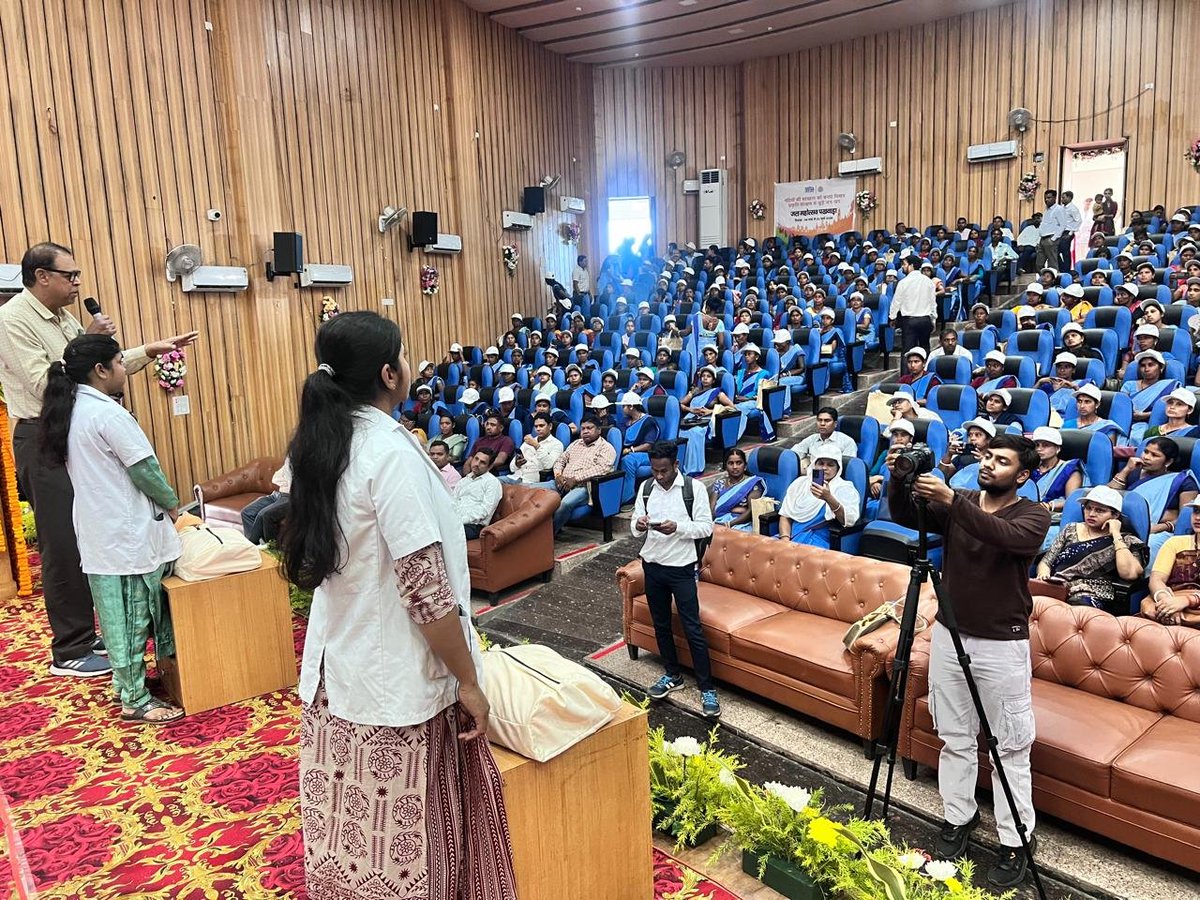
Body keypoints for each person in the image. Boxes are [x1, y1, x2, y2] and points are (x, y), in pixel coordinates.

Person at [279, 312, 515, 897]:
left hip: (340, 670)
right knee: (404, 853)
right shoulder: (388, 452)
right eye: (404, 356)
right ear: (390, 373)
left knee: (349, 836)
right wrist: (468, 681)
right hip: (394, 684)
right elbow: (425, 590)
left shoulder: (325, 441)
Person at [0, 242, 199, 679]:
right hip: (44, 435)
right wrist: (89, 340)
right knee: (63, 543)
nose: (76, 283)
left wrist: (147, 351)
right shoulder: (12, 320)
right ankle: (69, 649)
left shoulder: (63, 318)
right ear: (40, 277)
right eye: (69, 276)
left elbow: (91, 367)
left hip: (75, 431)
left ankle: (90, 631)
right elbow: (45, 384)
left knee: (90, 534)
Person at [887, 433, 1049, 889]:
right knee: (955, 736)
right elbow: (901, 515)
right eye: (986, 456)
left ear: (1021, 475)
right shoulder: (959, 499)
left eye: (1002, 461)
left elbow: (1006, 537)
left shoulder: (1032, 515)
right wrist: (901, 479)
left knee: (1008, 747)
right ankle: (959, 815)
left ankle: (1016, 839)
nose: (989, 465)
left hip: (1001, 644)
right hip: (949, 634)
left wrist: (952, 503)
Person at [39, 334, 184, 723]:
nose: (124, 369)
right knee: (133, 616)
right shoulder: (108, 415)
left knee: (115, 616)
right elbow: (144, 471)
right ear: (101, 370)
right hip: (124, 534)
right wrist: (172, 504)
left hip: (102, 530)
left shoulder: (72, 409)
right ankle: (135, 700)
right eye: (120, 362)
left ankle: (127, 684)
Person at [634, 442, 719, 718]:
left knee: (692, 627)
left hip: (681, 568)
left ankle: (706, 688)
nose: (659, 476)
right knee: (660, 624)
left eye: (664, 471)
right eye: (655, 470)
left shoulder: (692, 490)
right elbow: (635, 525)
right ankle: (672, 674)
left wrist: (678, 528)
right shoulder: (646, 488)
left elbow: (706, 527)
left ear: (676, 465)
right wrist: (639, 524)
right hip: (653, 566)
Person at [1038, 486, 1146, 610]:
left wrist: (1116, 534)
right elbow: (1046, 561)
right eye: (1088, 508)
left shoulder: (1128, 541)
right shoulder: (1070, 529)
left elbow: (1129, 574)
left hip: (1091, 596)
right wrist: (1043, 576)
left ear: (1115, 515)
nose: (1091, 514)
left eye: (1100, 510)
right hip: (1057, 588)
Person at [1110, 436, 1198, 560]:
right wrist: (1126, 470)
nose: (1146, 457)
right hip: (1124, 525)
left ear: (1168, 462)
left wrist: (1160, 527)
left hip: (1160, 531)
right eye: (1145, 452)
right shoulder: (1134, 471)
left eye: (1154, 455)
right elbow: (1107, 496)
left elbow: (1186, 518)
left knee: (1149, 544)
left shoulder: (1183, 482)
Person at [777, 449, 859, 548]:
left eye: (830, 465)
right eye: (820, 463)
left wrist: (828, 498)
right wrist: (785, 540)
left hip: (817, 540)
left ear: (838, 468)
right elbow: (785, 516)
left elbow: (848, 521)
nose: (825, 468)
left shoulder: (844, 488)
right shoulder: (799, 484)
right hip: (789, 537)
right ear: (814, 465)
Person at [547, 416, 616, 534]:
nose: (585, 431)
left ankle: (549, 535)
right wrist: (558, 475)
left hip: (584, 487)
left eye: (589, 428)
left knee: (565, 503)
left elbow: (602, 468)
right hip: (560, 482)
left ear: (599, 430)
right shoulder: (575, 444)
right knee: (533, 489)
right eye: (583, 428)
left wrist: (575, 479)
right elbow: (560, 460)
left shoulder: (606, 448)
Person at [1143, 496, 1200, 627]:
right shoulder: (1175, 543)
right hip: (1171, 601)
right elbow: (1156, 580)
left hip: (1192, 605)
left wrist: (1187, 600)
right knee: (1149, 606)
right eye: (1196, 511)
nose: (1197, 517)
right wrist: (1168, 605)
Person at [1026, 426, 1082, 513]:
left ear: (1057, 449)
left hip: (1050, 515)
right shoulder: (1030, 466)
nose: (1039, 449)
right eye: (1037, 445)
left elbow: (1071, 502)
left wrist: (1049, 505)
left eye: (1045, 445)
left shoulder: (1069, 470)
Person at [889, 253, 937, 353]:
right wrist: (933, 320)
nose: (903, 266)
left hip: (909, 321)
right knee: (925, 349)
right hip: (925, 320)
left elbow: (896, 302)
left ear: (911, 266)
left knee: (907, 351)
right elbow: (933, 303)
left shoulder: (903, 282)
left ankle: (906, 369)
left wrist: (892, 317)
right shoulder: (928, 282)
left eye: (904, 264)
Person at [618, 392, 660, 503]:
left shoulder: (648, 421)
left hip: (648, 454)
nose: (622, 409)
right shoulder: (624, 421)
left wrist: (631, 450)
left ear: (631, 407)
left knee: (628, 460)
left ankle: (628, 497)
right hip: (627, 452)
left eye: (624, 406)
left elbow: (649, 444)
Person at [709, 448, 765, 530]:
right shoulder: (719, 484)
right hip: (718, 522)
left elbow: (751, 511)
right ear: (725, 466)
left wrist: (729, 524)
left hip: (742, 525)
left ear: (745, 466)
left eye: (739, 463)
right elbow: (712, 510)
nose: (735, 467)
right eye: (731, 463)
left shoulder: (752, 484)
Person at [453, 448, 503, 539]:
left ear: (490, 466)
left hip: (474, 526)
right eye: (476, 459)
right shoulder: (463, 481)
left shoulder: (492, 483)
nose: (477, 464)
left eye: (482, 462)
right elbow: (452, 501)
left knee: (446, 531)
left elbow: (484, 512)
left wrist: (459, 520)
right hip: (455, 520)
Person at [240, 458, 291, 545]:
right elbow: (276, 477)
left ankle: (256, 548)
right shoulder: (290, 457)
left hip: (289, 497)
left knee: (263, 515)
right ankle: (255, 546)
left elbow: (294, 484)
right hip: (277, 493)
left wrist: (286, 482)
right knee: (247, 512)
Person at [791, 406, 858, 471]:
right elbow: (793, 454)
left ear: (835, 424)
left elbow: (847, 467)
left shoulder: (847, 442)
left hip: (835, 477)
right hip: (813, 475)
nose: (822, 424)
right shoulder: (812, 439)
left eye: (827, 421)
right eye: (819, 420)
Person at [506, 411, 563, 485]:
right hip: (516, 477)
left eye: (541, 426)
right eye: (536, 426)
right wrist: (517, 464)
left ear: (550, 426)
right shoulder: (528, 442)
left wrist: (536, 446)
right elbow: (511, 467)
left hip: (532, 481)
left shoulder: (557, 444)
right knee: (495, 482)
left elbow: (549, 465)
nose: (538, 429)